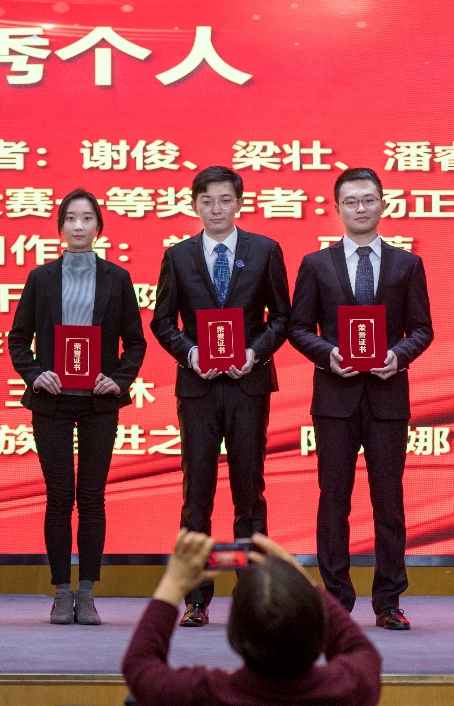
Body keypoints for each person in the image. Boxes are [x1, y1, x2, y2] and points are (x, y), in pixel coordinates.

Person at [288, 167, 433, 630]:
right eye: (351, 201)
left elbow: (422, 329)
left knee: (389, 502)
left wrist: (398, 356)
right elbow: (297, 328)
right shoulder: (316, 264)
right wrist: (328, 354)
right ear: (337, 209)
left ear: (383, 204)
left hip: (388, 398)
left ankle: (388, 601)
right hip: (334, 400)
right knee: (334, 502)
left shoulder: (407, 264)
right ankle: (336, 601)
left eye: (369, 199)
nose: (361, 208)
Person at [150, 165, 290, 627]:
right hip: (199, 389)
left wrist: (254, 353)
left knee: (250, 491)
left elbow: (281, 318)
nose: (216, 209)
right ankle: (197, 597)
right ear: (195, 205)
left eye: (225, 200)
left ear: (239, 203)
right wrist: (191, 354)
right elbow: (162, 321)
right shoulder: (178, 256)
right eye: (207, 201)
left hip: (248, 385)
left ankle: (257, 595)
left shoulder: (265, 251)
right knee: (197, 494)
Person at [8, 189, 146, 625]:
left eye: (87, 218)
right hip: (52, 402)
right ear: (60, 227)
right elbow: (18, 339)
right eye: (71, 218)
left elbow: (135, 342)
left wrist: (118, 379)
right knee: (58, 498)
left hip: (98, 403)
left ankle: (87, 593)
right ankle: (60, 592)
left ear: (98, 227)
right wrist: (35, 374)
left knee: (91, 498)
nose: (79, 226)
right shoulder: (41, 278)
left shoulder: (117, 278)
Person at [121, 530, 382, 706]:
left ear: (235, 634)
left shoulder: (208, 694)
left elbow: (139, 665)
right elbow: (362, 651)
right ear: (318, 628)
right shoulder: (347, 689)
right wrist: (305, 581)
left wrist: (174, 582)